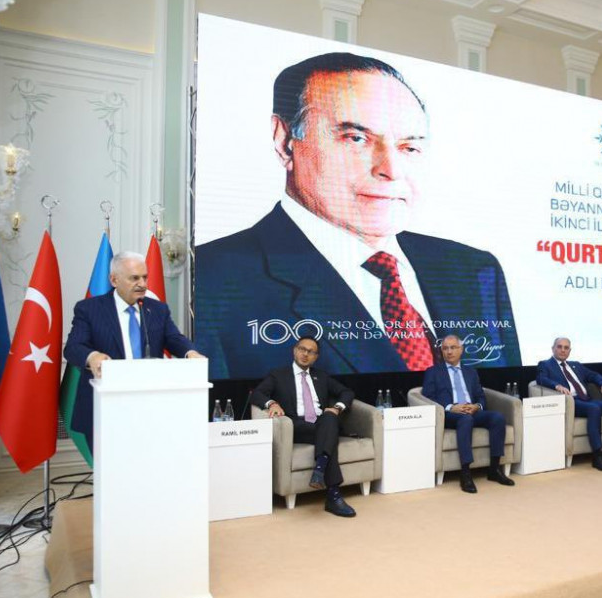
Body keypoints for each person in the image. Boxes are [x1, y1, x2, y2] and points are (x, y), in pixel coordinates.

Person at [195, 52, 520, 380]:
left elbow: (506, 394)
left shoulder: (474, 270)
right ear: (285, 141)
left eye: (408, 148)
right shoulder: (212, 280)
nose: (391, 170)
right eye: (356, 138)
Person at [63, 251, 203, 454]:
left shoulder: (157, 309)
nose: (142, 284)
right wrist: (92, 357)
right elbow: (73, 347)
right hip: (104, 408)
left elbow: (173, 338)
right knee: (111, 468)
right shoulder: (90, 309)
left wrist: (190, 352)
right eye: (134, 278)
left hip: (149, 406)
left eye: (145, 277)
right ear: (114, 280)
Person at [250, 336, 358, 517]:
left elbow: (346, 392)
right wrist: (272, 403)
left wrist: (337, 408)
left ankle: (320, 470)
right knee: (329, 436)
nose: (305, 354)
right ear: (295, 350)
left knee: (329, 418)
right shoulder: (278, 375)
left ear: (316, 357)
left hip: (321, 423)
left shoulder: (321, 376)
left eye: (311, 352)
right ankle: (333, 494)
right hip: (297, 425)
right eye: (302, 349)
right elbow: (257, 394)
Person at [421, 334, 515, 494]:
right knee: (465, 420)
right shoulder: (433, 372)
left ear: (461, 349)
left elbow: (480, 396)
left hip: (471, 411)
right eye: (445, 348)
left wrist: (476, 406)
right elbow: (428, 397)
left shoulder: (470, 371)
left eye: (453, 347)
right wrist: (451, 407)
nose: (449, 351)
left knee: (497, 418)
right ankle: (465, 473)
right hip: (449, 414)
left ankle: (494, 469)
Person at [536, 338, 602, 472]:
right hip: (570, 402)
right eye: (559, 347)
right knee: (594, 409)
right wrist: (557, 386)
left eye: (566, 348)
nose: (563, 350)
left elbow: (593, 375)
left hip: (586, 399)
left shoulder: (575, 365)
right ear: (553, 348)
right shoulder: (545, 364)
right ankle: (597, 455)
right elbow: (541, 379)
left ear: (570, 351)